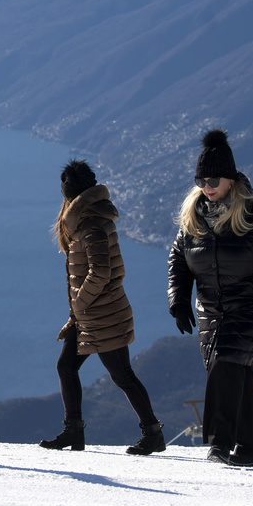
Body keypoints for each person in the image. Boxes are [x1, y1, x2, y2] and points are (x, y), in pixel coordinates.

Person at [167, 129, 253, 467]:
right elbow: (178, 260)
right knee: (238, 374)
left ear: (230, 177)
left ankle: (219, 444)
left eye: (213, 178)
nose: (207, 186)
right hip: (213, 313)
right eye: (201, 179)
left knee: (226, 362)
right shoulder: (194, 214)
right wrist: (179, 300)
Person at [40, 160, 166, 455]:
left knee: (122, 375)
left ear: (69, 195)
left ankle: (153, 432)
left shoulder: (92, 226)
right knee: (66, 367)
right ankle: (73, 431)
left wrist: (80, 305)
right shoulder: (84, 222)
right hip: (88, 316)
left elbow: (101, 272)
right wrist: (76, 314)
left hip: (106, 315)